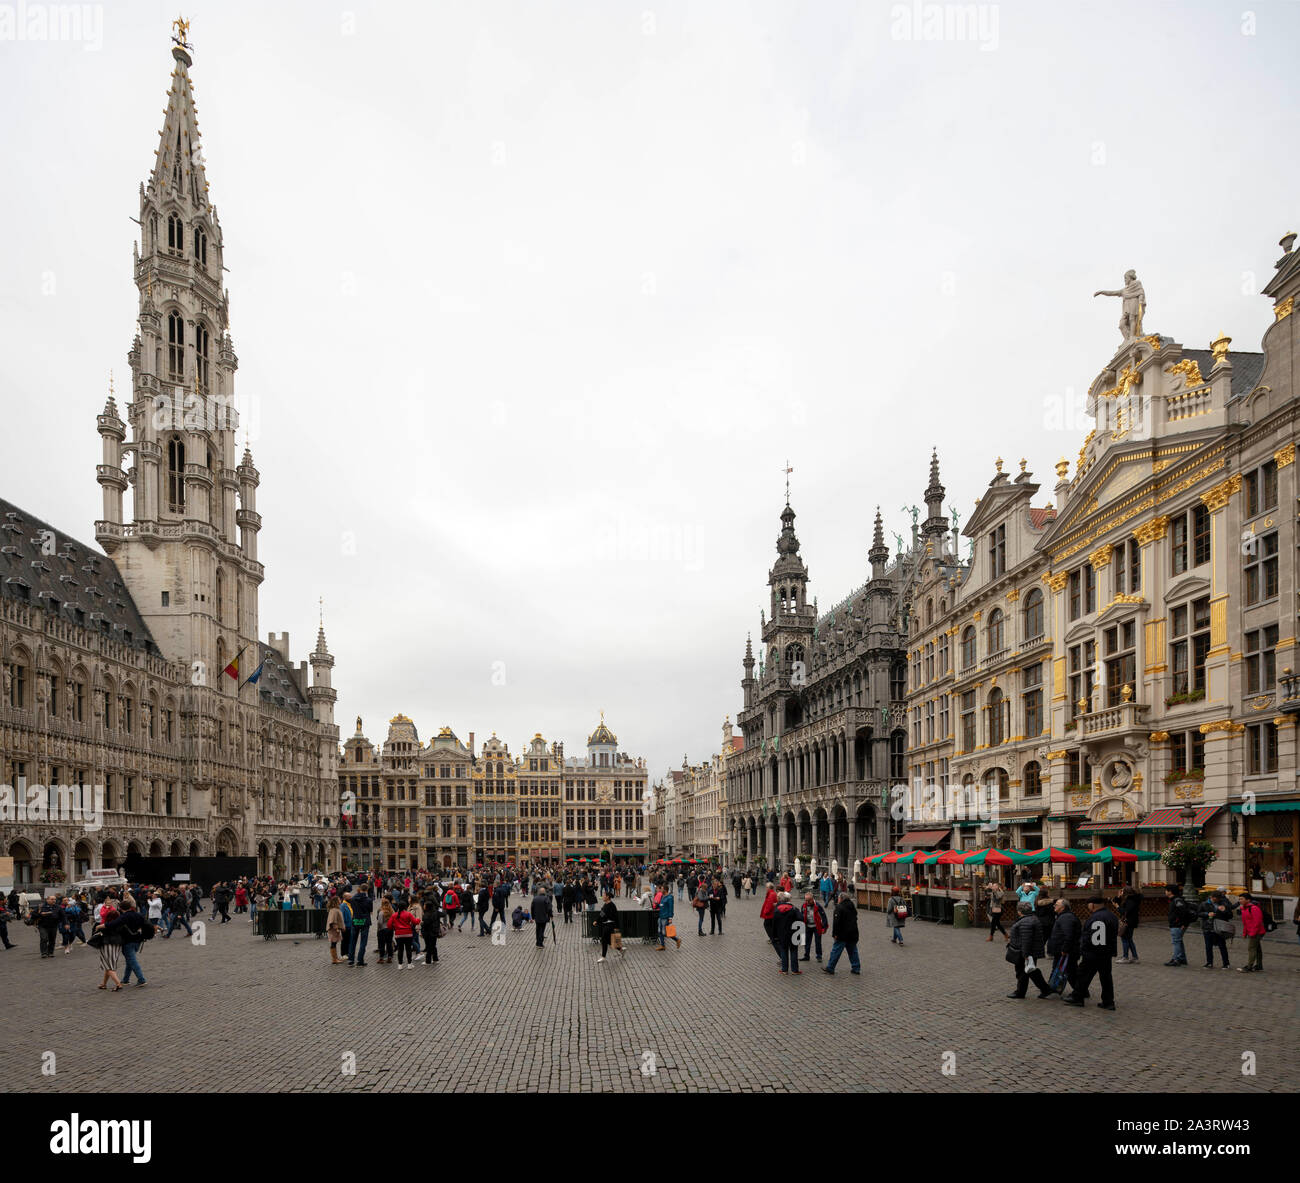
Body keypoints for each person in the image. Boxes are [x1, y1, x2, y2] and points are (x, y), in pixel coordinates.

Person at [1064, 895, 1118, 1010]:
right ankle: (1108, 1001)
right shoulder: (1111, 915)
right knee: (1106, 977)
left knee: (1082, 975)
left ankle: (1077, 997)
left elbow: (1094, 938)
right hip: (1106, 952)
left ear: (1092, 905)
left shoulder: (1096, 918)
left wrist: (1084, 949)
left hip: (1093, 953)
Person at [1006, 901, 1054, 999]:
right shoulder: (1031, 919)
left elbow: (1026, 939)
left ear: (1020, 911)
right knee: (1030, 970)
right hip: (1028, 950)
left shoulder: (1026, 921)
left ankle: (1021, 992)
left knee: (1023, 972)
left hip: (1025, 951)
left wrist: (1025, 954)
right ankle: (1045, 989)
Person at [107, 901, 154, 987]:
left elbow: (113, 924)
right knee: (130, 960)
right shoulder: (138, 914)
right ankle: (125, 979)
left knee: (132, 960)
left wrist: (102, 925)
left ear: (121, 908)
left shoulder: (124, 917)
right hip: (138, 940)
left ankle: (141, 979)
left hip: (127, 941)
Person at [1045, 897, 1081, 995]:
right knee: (1065, 970)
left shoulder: (1066, 917)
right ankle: (1050, 988)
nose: (1054, 906)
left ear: (1063, 907)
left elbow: (1069, 935)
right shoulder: (1063, 916)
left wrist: (1065, 949)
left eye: (1056, 904)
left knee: (1071, 972)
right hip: (1061, 950)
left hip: (1066, 951)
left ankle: (1080, 991)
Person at [823, 891, 860, 975]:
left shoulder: (839, 907)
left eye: (839, 898)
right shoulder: (852, 906)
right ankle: (856, 968)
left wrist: (835, 934)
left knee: (836, 951)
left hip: (842, 934)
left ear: (841, 899)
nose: (838, 899)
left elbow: (836, 922)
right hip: (853, 932)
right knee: (853, 951)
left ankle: (830, 967)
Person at [93, 899, 124, 991]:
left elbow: (97, 930)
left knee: (109, 966)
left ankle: (118, 984)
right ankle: (103, 984)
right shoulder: (120, 925)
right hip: (117, 945)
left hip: (107, 945)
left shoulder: (105, 925)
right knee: (110, 964)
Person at [1198, 890, 1233, 969]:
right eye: (1215, 899)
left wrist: (1224, 910)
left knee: (1222, 946)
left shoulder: (1224, 903)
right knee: (1208, 946)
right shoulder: (1204, 904)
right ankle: (1209, 963)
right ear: (1212, 897)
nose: (1217, 901)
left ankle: (1226, 963)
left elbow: (1230, 915)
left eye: (1218, 899)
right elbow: (1199, 913)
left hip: (1220, 928)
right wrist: (1207, 914)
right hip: (1208, 927)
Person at [1163, 885, 1194, 967]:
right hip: (1177, 924)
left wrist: (1183, 923)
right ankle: (1182, 958)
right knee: (1179, 941)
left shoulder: (1177, 900)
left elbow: (1184, 912)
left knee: (1176, 942)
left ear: (1170, 891)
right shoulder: (1175, 900)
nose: (1165, 892)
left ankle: (1176, 959)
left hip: (1177, 925)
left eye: (1166, 890)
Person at [772, 892, 801, 974]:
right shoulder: (794, 909)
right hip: (793, 933)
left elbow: (774, 924)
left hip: (782, 934)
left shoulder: (777, 910)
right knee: (794, 951)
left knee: (784, 951)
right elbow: (801, 919)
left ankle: (784, 969)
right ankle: (795, 970)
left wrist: (774, 936)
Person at [1237, 891, 1266, 973]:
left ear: (1248, 900)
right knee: (1257, 948)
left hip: (1257, 931)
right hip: (1251, 931)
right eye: (1239, 899)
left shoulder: (1254, 908)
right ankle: (1259, 966)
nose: (1240, 901)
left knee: (1251, 948)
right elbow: (1245, 923)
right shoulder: (1244, 908)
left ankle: (1249, 966)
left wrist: (1252, 933)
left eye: (1241, 899)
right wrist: (1244, 933)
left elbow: (1257, 922)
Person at [1116, 885, 1141, 963]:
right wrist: (1118, 896)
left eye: (1122, 891)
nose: (1121, 892)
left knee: (1125, 939)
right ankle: (1135, 957)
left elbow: (1124, 912)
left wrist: (1117, 907)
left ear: (1126, 892)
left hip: (1128, 922)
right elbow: (1116, 901)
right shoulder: (1131, 899)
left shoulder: (1130, 901)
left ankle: (1125, 957)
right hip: (1130, 922)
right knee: (1129, 939)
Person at [799, 892, 827, 963]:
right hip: (807, 926)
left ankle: (819, 956)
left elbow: (823, 917)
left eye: (809, 900)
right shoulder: (804, 905)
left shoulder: (818, 906)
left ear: (812, 899)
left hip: (816, 926)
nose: (807, 902)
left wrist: (824, 927)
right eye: (806, 900)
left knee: (818, 942)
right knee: (806, 942)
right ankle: (806, 956)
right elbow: (801, 915)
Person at [390, 901, 418, 969]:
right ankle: (409, 964)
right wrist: (419, 920)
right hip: (408, 934)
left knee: (400, 949)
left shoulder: (394, 915)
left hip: (398, 935)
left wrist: (394, 928)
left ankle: (400, 965)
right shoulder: (408, 914)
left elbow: (389, 925)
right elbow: (415, 922)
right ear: (405, 907)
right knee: (408, 949)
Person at [349, 889, 372, 966]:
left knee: (352, 941)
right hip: (365, 921)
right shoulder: (368, 900)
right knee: (363, 942)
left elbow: (352, 908)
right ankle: (360, 960)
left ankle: (351, 960)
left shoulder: (352, 899)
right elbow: (370, 911)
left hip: (355, 920)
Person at [596, 892, 621, 963]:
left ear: (607, 897)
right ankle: (621, 949)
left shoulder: (612, 905)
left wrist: (616, 927)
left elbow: (615, 917)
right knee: (608, 941)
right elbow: (602, 914)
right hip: (606, 925)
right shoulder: (605, 904)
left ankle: (603, 957)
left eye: (604, 895)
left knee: (604, 939)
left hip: (611, 925)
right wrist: (597, 921)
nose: (603, 897)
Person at [655, 881, 680, 950]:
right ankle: (663, 945)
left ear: (665, 890)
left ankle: (677, 940)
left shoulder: (669, 897)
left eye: (662, 889)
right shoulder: (663, 896)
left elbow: (671, 908)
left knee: (665, 932)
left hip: (665, 917)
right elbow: (662, 905)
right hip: (661, 916)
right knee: (660, 931)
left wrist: (670, 918)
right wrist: (658, 904)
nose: (661, 890)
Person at [326, 896, 345, 964]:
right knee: (333, 943)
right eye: (339, 899)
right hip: (334, 930)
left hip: (335, 929)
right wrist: (336, 928)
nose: (340, 900)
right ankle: (334, 959)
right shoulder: (334, 910)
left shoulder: (335, 909)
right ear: (336, 901)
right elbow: (333, 920)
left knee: (334, 943)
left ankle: (335, 958)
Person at [760, 884, 779, 949]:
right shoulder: (772, 893)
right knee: (771, 925)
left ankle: (772, 938)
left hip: (770, 913)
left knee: (767, 925)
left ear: (769, 887)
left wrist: (766, 912)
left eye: (766, 887)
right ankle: (773, 937)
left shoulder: (771, 894)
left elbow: (769, 903)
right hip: (771, 913)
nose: (766, 888)